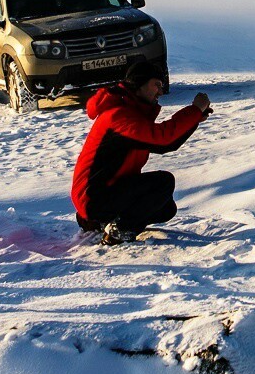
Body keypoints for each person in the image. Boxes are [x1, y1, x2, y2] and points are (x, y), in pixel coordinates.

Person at [71, 61, 211, 243]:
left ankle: (99, 221)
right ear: (139, 83)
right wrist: (194, 110)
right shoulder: (119, 116)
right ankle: (118, 231)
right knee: (163, 182)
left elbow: (168, 142)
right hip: (93, 198)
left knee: (166, 208)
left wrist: (195, 119)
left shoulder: (130, 113)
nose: (160, 92)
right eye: (157, 85)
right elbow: (163, 141)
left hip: (102, 193)